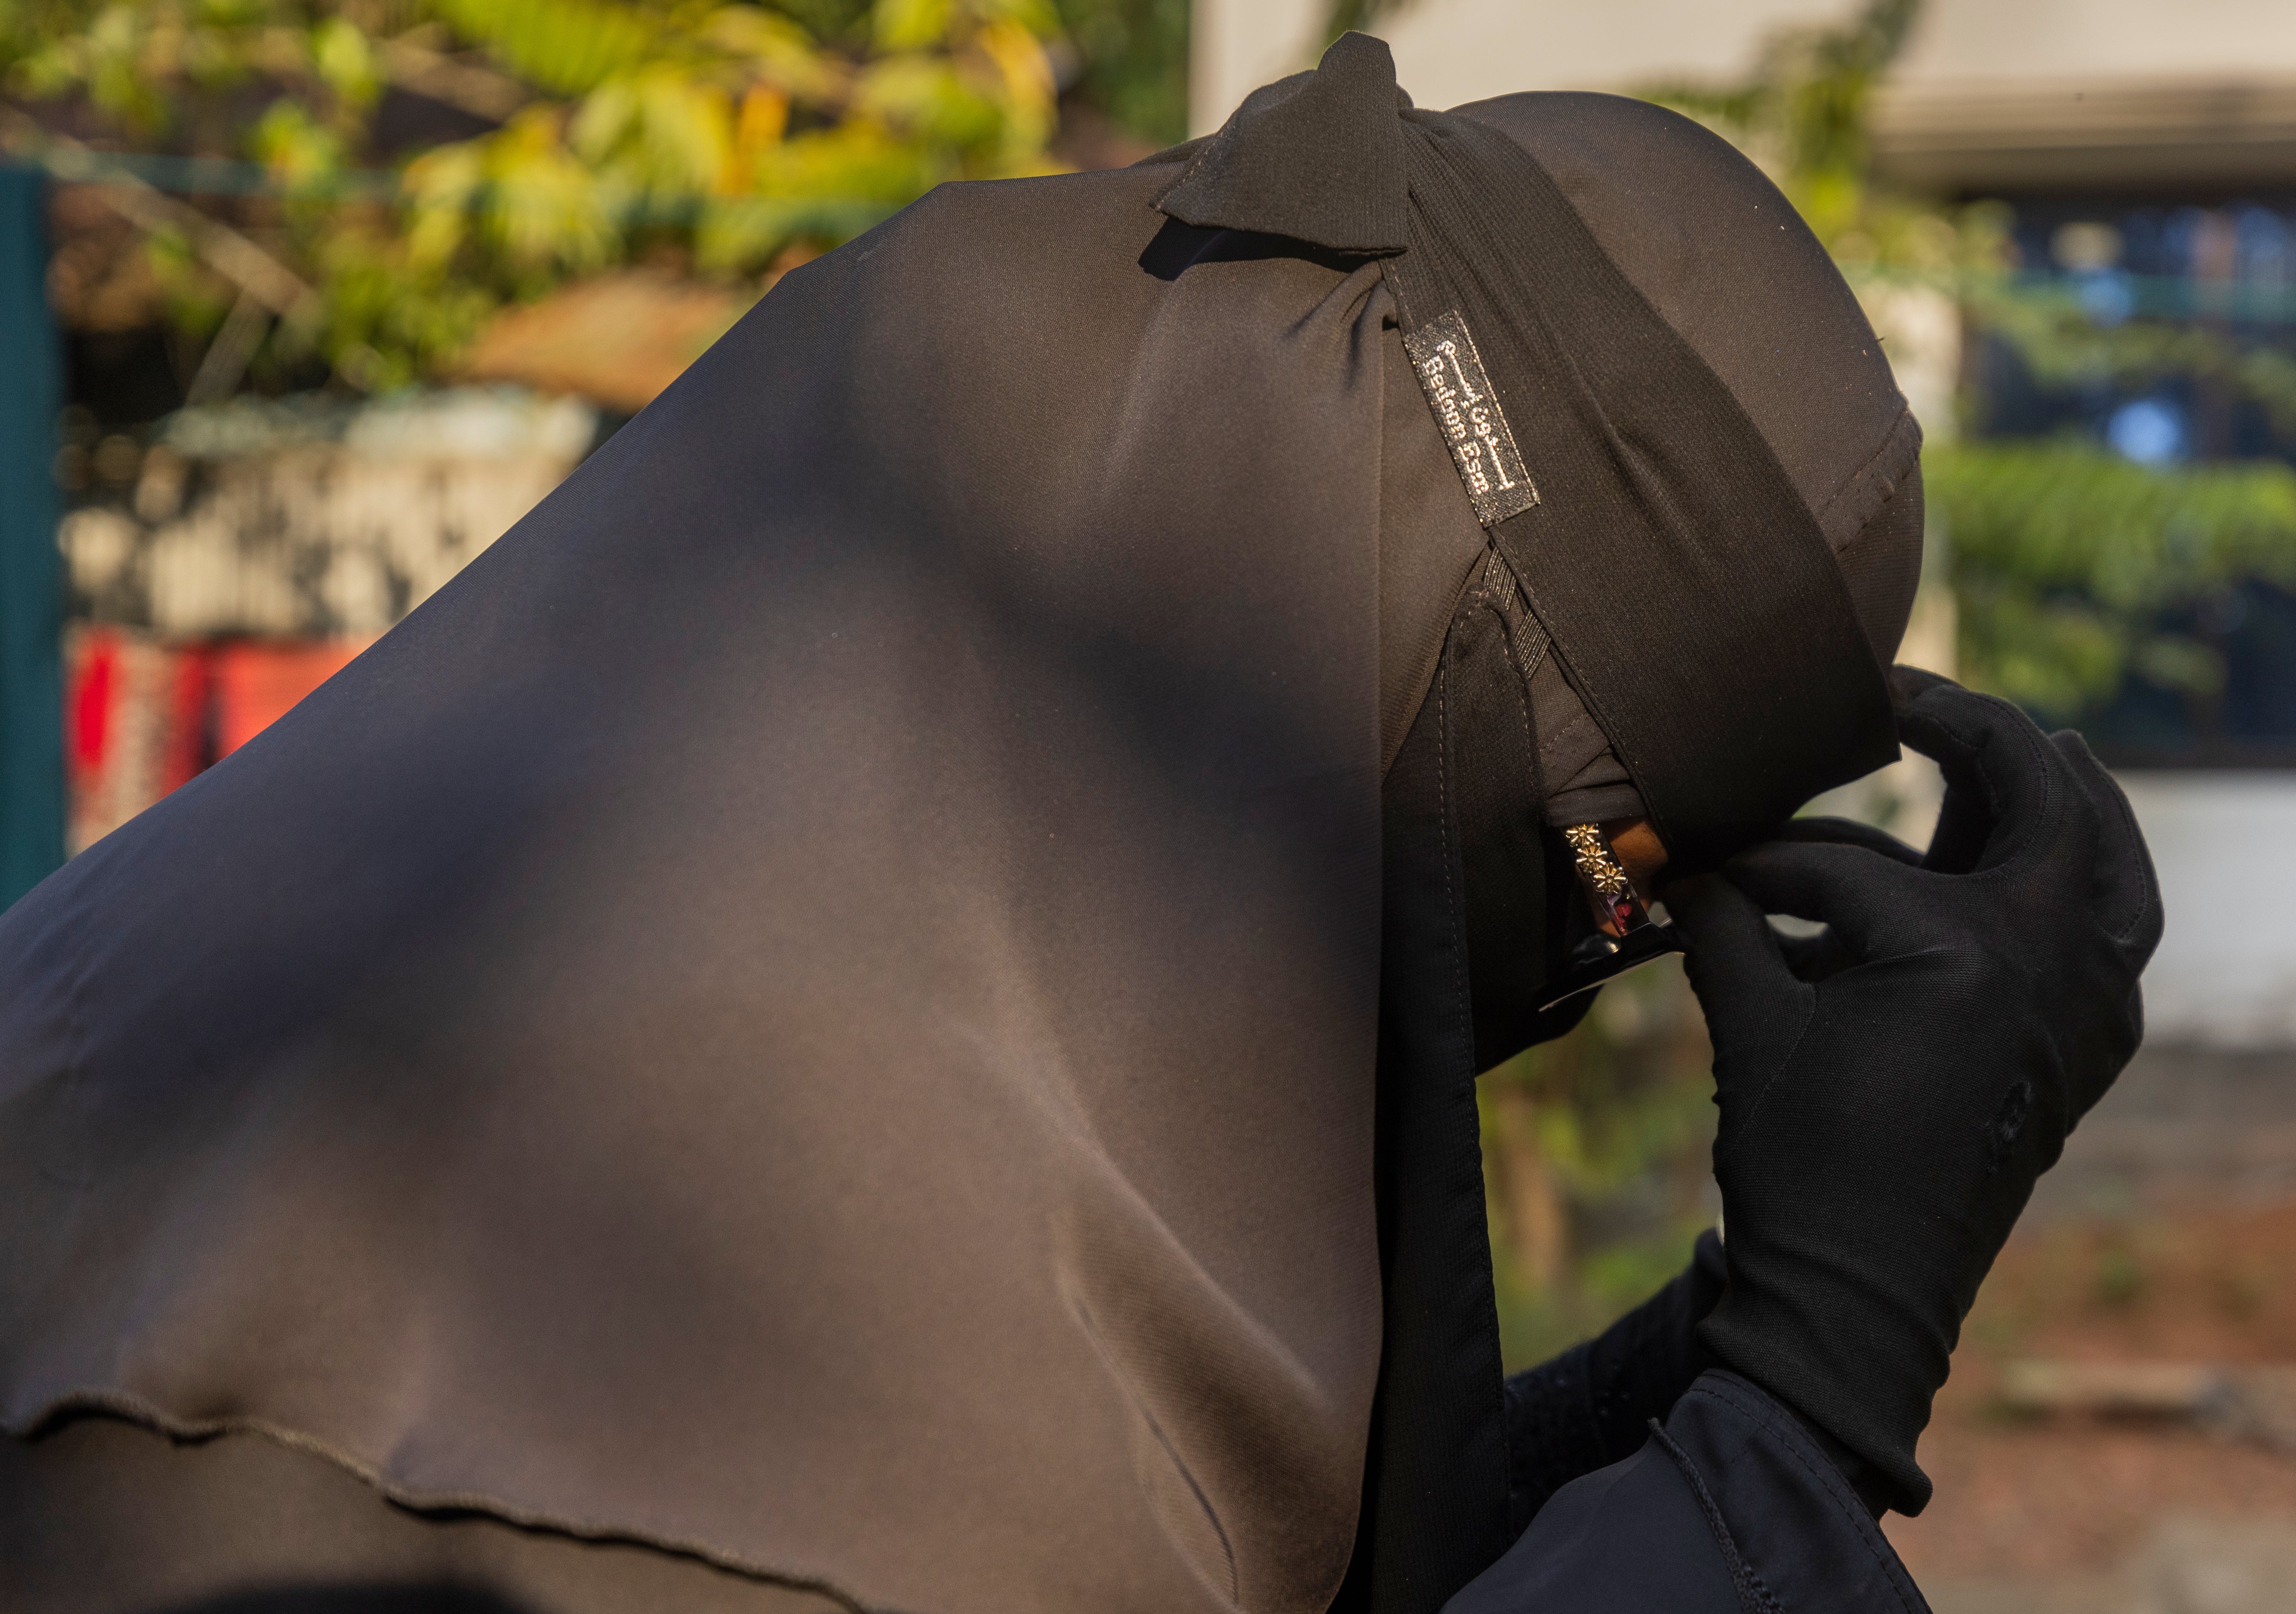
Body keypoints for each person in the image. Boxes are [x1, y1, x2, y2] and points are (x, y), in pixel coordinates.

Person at [0, 35, 2157, 1614]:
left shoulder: (340, 913)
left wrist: (1720, 1350)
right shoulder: (823, 1407)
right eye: (1608, 889)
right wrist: (1806, 1401)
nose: (1580, 989)